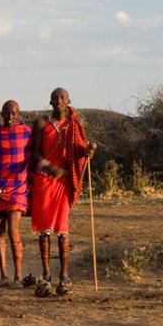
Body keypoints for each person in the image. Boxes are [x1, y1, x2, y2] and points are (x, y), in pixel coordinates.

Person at [31, 88, 96, 296]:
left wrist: (88, 151)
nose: (59, 101)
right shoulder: (42, 123)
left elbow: (77, 150)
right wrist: (48, 165)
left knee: (62, 229)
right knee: (44, 229)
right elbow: (34, 151)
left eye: (62, 98)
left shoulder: (75, 124)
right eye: (55, 98)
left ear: (68, 101)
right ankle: (47, 275)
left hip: (65, 180)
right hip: (44, 179)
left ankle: (64, 276)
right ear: (50, 101)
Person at [0, 100, 31, 288]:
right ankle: (3, 276)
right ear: (1, 114)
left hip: (17, 187)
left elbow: (32, 158)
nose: (10, 117)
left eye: (13, 113)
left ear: (18, 114)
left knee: (13, 230)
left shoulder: (26, 133)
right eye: (7, 113)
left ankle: (18, 276)